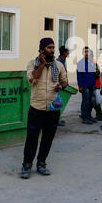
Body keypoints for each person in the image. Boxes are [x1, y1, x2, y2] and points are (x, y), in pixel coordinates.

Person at [21, 38, 68, 179]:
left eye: (53, 47)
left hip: (53, 109)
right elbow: (32, 79)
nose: (52, 50)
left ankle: (41, 163)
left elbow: (65, 83)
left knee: (48, 138)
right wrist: (41, 65)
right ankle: (27, 165)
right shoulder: (32, 64)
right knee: (32, 139)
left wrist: (61, 86)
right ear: (42, 50)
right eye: (49, 47)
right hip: (37, 108)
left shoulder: (59, 66)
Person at [77, 47, 97, 125]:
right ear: (83, 53)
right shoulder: (80, 63)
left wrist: (94, 84)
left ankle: (89, 116)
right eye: (85, 52)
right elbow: (79, 76)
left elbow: (93, 74)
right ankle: (84, 117)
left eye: (87, 52)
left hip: (91, 85)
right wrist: (80, 86)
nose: (86, 53)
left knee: (91, 102)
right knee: (85, 101)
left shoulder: (92, 62)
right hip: (84, 86)